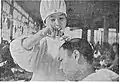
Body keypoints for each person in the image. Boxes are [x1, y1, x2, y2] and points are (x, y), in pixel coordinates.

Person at [10, 0, 68, 81]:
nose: (57, 23)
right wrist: (41, 34)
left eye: (61, 18)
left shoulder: (70, 43)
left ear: (66, 20)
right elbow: (19, 48)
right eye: (52, 20)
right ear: (45, 23)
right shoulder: (40, 42)